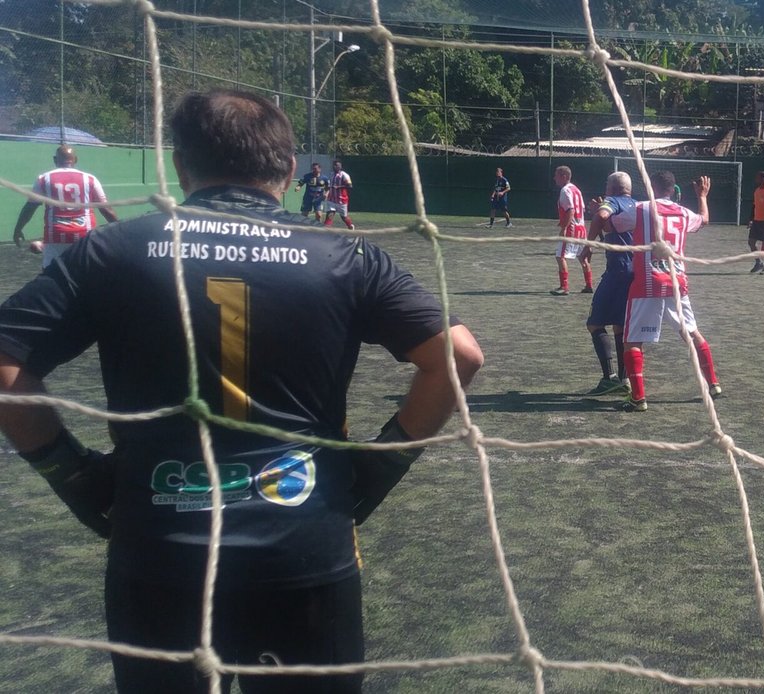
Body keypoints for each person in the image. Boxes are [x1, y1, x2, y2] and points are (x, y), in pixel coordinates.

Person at [0, 90, 484, 693]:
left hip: (158, 549)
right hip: (302, 548)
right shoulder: (348, 254)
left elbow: (6, 365)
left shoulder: (113, 250)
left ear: (179, 168)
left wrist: (72, 475)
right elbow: (459, 357)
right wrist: (378, 469)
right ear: (287, 170)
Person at [615, 171, 721, 412]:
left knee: (631, 340)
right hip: (676, 282)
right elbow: (704, 219)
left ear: (651, 186)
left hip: (648, 282)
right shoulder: (683, 213)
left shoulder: (642, 208)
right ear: (672, 190)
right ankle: (713, 383)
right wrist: (702, 196)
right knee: (692, 333)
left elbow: (616, 223)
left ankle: (638, 398)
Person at [12, 144, 118, 268]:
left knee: (52, 273)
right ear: (75, 160)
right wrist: (120, 230)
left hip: (56, 235)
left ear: (55, 160)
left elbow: (30, 207)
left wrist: (18, 229)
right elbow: (106, 210)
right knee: (84, 271)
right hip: (84, 234)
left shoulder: (44, 178)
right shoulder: (90, 179)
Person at [579, 172, 637, 396]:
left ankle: (609, 377)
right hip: (634, 271)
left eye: (606, 184)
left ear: (612, 187)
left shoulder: (611, 202)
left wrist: (588, 246)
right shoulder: (636, 205)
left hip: (617, 271)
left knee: (594, 323)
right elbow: (615, 230)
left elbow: (602, 216)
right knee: (620, 327)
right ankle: (624, 379)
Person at [551, 165, 592, 296]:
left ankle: (564, 287)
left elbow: (571, 210)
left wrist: (564, 228)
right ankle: (589, 285)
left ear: (564, 177)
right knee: (582, 257)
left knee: (560, 256)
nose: (554, 178)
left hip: (572, 228)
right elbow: (582, 210)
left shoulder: (565, 190)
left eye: (556, 175)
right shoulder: (577, 190)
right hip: (581, 227)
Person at [325, 159, 354, 229]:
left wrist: (339, 187)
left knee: (344, 217)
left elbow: (350, 186)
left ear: (340, 166)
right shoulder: (331, 174)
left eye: (337, 165)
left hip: (342, 200)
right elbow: (329, 186)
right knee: (330, 214)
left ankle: (350, 226)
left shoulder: (344, 175)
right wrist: (326, 192)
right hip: (331, 199)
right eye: (334, 165)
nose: (335, 167)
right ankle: (325, 230)